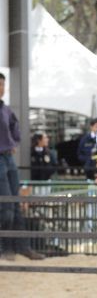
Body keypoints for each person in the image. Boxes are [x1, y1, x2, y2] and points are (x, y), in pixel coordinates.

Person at [0, 73, 45, 260]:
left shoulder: (6, 109)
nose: (1, 88)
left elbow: (15, 128)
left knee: (16, 203)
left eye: (2, 84)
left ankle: (21, 247)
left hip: (8, 157)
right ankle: (5, 248)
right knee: (6, 205)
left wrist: (13, 144)